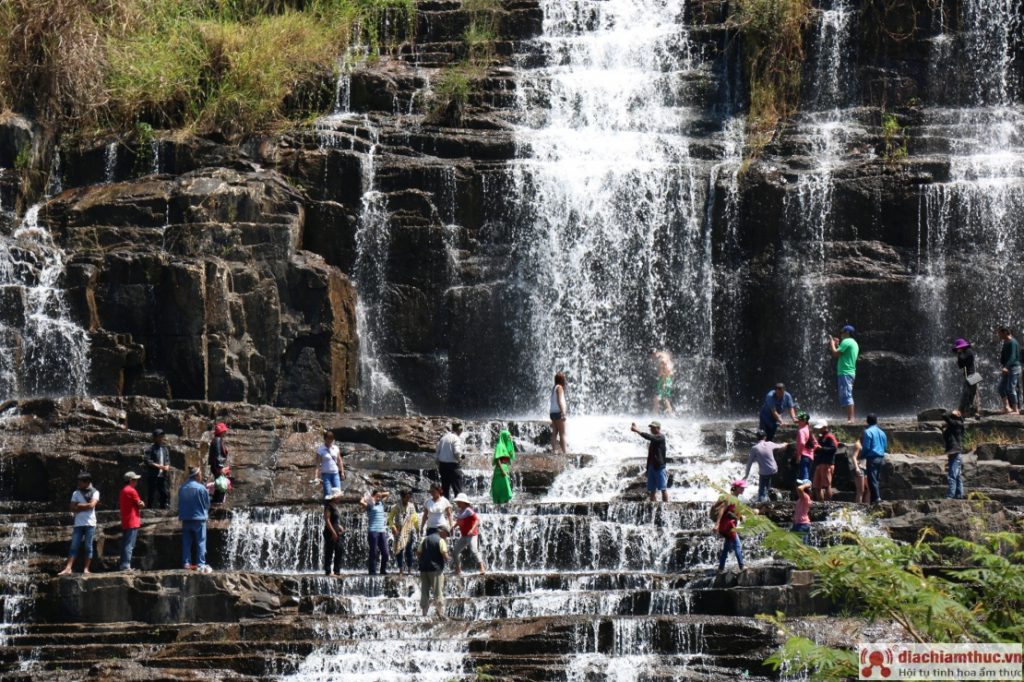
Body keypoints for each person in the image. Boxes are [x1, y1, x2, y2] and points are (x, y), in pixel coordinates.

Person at [58, 472, 100, 576]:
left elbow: (92, 505)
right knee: (74, 546)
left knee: (88, 546)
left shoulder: (95, 492)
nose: (78, 484)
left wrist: (79, 505)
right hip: (78, 524)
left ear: (87, 482)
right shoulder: (75, 493)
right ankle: (68, 568)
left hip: (90, 523)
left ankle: (86, 569)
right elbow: (72, 508)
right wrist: (85, 505)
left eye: (80, 482)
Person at [179, 467, 212, 572]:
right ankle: (200, 564)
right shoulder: (201, 488)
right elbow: (207, 504)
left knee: (186, 542)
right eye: (200, 474)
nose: (201, 476)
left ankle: (186, 563)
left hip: (186, 518)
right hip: (199, 519)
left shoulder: (182, 487)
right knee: (200, 542)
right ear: (197, 475)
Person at [853, 414, 887, 505]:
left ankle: (876, 499)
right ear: (877, 421)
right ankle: (875, 498)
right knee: (876, 478)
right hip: (881, 457)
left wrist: (862, 455)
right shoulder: (882, 432)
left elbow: (867, 446)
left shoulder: (868, 432)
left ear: (867, 421)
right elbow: (885, 446)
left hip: (872, 458)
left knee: (872, 479)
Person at [417, 524, 450, 618]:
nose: (446, 536)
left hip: (423, 569)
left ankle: (424, 614)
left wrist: (423, 561)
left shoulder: (425, 539)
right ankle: (440, 613)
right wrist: (450, 559)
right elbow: (445, 555)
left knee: (424, 591)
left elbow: (418, 553)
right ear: (441, 531)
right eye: (446, 534)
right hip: (435, 570)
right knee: (437, 591)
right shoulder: (441, 540)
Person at [631, 420, 668, 502]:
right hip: (652, 467)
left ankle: (666, 506)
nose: (651, 429)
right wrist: (648, 468)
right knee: (652, 489)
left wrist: (637, 430)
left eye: (653, 428)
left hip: (659, 467)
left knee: (663, 488)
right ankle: (653, 506)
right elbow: (650, 455)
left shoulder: (660, 437)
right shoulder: (654, 440)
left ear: (658, 428)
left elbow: (649, 437)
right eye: (651, 427)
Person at [714, 480, 746, 573]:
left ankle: (721, 568)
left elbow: (734, 512)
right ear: (736, 488)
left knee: (726, 547)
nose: (743, 489)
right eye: (741, 488)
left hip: (730, 525)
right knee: (737, 545)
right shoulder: (730, 498)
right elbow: (722, 510)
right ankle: (742, 566)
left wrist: (740, 517)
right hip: (728, 526)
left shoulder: (736, 498)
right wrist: (717, 524)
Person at [829, 324, 859, 424]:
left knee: (847, 394)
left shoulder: (846, 341)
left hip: (845, 372)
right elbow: (843, 353)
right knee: (846, 394)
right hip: (849, 372)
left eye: (842, 332)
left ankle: (851, 418)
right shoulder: (853, 342)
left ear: (847, 333)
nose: (841, 333)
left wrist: (832, 343)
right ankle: (850, 417)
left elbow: (835, 353)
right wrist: (838, 345)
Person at [452, 493, 486, 576]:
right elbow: (459, 521)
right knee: (455, 551)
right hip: (464, 535)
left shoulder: (469, 510)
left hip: (472, 535)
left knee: (474, 550)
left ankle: (482, 567)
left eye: (459, 502)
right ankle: (458, 568)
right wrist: (453, 527)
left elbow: (477, 520)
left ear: (464, 502)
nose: (457, 503)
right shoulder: (460, 511)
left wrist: (472, 529)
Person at [744, 430, 782, 503]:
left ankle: (762, 503)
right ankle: (772, 497)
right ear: (765, 437)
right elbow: (780, 446)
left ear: (757, 438)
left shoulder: (754, 448)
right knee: (769, 485)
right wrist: (785, 444)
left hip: (764, 472)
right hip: (774, 470)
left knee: (761, 490)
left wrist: (746, 475)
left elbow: (749, 463)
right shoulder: (770, 444)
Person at [387, 490, 419, 575]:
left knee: (409, 550)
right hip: (399, 531)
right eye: (406, 498)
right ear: (402, 497)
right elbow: (390, 518)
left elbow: (415, 518)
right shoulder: (395, 506)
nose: (408, 499)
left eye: (409, 497)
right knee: (399, 550)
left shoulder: (412, 506)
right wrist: (393, 527)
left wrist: (417, 528)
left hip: (409, 531)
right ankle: (400, 569)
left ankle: (409, 570)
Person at [119, 471, 145, 571]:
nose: (137, 482)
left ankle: (123, 564)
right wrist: (142, 503)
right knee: (130, 545)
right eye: (135, 480)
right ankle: (126, 565)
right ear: (131, 480)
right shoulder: (131, 490)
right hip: (132, 521)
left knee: (126, 543)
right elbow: (140, 504)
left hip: (126, 520)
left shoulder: (123, 490)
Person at [360, 489, 390, 575]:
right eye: (377, 496)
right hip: (373, 531)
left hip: (382, 531)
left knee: (386, 553)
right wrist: (370, 498)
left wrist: (380, 494)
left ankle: (382, 570)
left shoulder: (382, 503)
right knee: (373, 552)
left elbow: (388, 493)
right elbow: (361, 501)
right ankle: (372, 571)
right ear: (373, 496)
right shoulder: (370, 505)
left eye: (380, 497)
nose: (379, 498)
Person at [435, 422, 464, 501]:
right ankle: (460, 509)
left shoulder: (443, 438)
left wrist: (438, 465)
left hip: (443, 466)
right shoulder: (456, 438)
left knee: (445, 490)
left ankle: (445, 509)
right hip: (453, 467)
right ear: (460, 430)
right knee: (458, 490)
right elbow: (457, 452)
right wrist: (460, 458)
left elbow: (437, 453)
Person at [144, 428, 172, 510]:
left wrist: (167, 465)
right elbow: (147, 460)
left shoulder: (165, 449)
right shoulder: (150, 448)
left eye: (162, 437)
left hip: (162, 475)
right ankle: (149, 510)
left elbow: (167, 460)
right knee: (151, 493)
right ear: (155, 438)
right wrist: (158, 466)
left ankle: (163, 509)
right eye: (159, 437)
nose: (161, 439)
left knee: (164, 493)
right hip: (153, 475)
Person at [953, 338, 981, 417]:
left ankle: (962, 410)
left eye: (958, 348)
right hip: (970, 375)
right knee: (970, 394)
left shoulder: (969, 351)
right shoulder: (964, 352)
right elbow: (960, 365)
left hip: (972, 375)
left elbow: (963, 359)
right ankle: (968, 411)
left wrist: (959, 353)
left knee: (967, 393)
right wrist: (959, 354)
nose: (957, 349)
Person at [812, 421, 838, 501]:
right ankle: (821, 503)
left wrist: (822, 448)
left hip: (827, 463)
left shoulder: (829, 437)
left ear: (825, 427)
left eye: (820, 428)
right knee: (816, 486)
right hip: (819, 463)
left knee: (827, 485)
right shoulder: (821, 437)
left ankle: (828, 504)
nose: (819, 429)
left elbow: (834, 449)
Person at [315, 430, 345, 500]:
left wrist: (342, 472)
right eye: (328, 439)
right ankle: (328, 510)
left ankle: (334, 510)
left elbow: (339, 461)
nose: (330, 442)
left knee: (338, 494)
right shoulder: (320, 450)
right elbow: (317, 464)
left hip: (335, 474)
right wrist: (316, 476)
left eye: (331, 440)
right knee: (328, 495)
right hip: (326, 475)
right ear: (325, 439)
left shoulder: (336, 448)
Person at [942, 410, 966, 500]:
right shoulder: (958, 425)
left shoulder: (955, 424)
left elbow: (944, 415)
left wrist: (952, 412)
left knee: (952, 475)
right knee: (957, 476)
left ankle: (950, 495)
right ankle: (959, 494)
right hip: (956, 453)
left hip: (955, 453)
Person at [997, 327, 1021, 415]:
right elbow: (1004, 356)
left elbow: (1013, 357)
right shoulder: (1005, 342)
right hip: (1007, 368)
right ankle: (1007, 407)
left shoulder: (1012, 342)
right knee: (1000, 387)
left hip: (1014, 368)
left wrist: (1006, 367)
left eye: (1000, 333)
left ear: (1005, 332)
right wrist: (1003, 364)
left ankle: (1016, 409)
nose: (998, 335)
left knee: (1011, 388)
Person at [322, 488, 345, 576]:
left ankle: (337, 570)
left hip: (338, 532)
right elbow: (327, 520)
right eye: (339, 496)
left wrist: (340, 527)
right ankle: (328, 571)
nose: (340, 498)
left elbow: (335, 520)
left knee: (339, 550)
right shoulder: (328, 507)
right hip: (330, 532)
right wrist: (333, 532)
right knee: (329, 551)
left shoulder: (336, 506)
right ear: (335, 497)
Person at [491, 429, 516, 505]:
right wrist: (502, 470)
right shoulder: (500, 446)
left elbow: (508, 458)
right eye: (508, 436)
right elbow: (498, 459)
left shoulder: (505, 446)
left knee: (505, 485)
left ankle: (504, 502)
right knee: (502, 485)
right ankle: (500, 502)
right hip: (500, 469)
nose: (509, 438)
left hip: (504, 468)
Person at [208, 422, 230, 506]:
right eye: (224, 430)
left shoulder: (216, 440)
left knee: (219, 484)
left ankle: (216, 501)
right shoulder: (217, 440)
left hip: (216, 467)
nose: (225, 432)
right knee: (221, 484)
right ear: (222, 431)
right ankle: (217, 502)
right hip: (217, 467)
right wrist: (220, 467)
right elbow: (218, 454)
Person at [793, 411, 816, 483]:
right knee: (806, 476)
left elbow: (802, 443)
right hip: (810, 456)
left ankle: (805, 491)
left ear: (804, 421)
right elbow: (815, 443)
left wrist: (799, 455)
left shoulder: (801, 431)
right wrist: (811, 451)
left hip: (803, 456)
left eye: (800, 420)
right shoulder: (809, 429)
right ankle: (806, 491)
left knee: (804, 478)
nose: (798, 421)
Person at [652, 350, 675, 415]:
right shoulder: (664, 360)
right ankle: (656, 414)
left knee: (660, 398)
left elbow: (667, 373)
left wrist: (664, 383)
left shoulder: (663, 360)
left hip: (664, 381)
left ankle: (656, 414)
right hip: (663, 380)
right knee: (661, 398)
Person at [550, 372, 568, 455]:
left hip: (552, 412)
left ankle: (554, 450)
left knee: (554, 433)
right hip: (558, 412)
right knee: (563, 433)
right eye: (564, 378)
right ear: (562, 380)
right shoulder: (560, 387)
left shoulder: (554, 387)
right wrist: (563, 412)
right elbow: (560, 400)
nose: (565, 380)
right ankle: (565, 452)